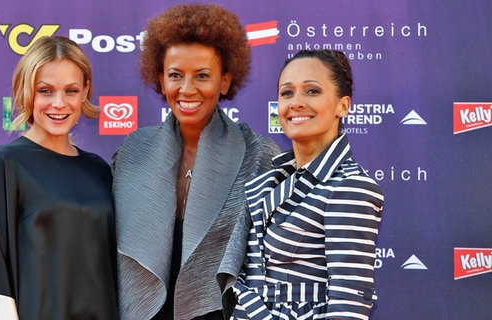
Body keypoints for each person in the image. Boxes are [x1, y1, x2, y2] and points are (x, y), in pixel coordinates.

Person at [111, 3, 280, 319]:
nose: (187, 89)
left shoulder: (258, 156)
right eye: (176, 75)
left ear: (225, 81)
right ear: (161, 80)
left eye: (202, 75)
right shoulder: (132, 152)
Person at [0, 36, 118, 320]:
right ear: (27, 91)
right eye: (46, 90)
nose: (59, 103)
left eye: (71, 90)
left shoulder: (100, 170)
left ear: (85, 91)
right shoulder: (5, 164)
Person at [224, 50, 384, 319]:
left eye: (312, 91)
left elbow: (348, 306)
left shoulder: (349, 188)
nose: (296, 103)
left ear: (343, 106)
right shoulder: (268, 181)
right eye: (287, 93)